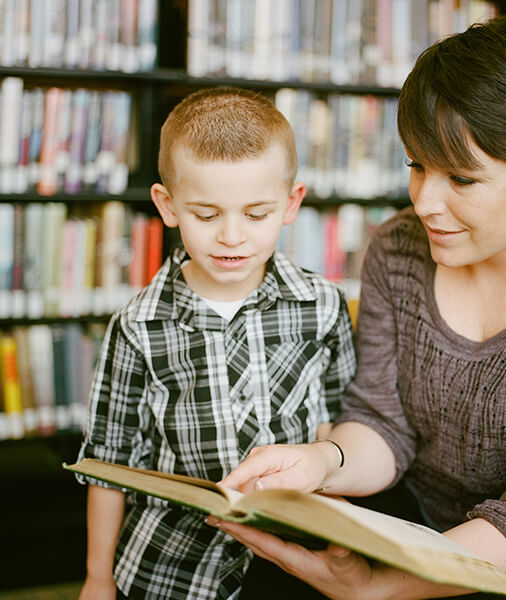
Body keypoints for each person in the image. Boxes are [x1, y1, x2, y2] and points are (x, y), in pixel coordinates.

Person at [213, 16, 506, 600]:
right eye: (416, 165)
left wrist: (377, 590)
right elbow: (382, 423)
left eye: (463, 180)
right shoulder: (396, 247)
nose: (424, 203)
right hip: (414, 518)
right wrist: (322, 460)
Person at [76, 87, 357, 600]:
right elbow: (107, 462)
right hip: (173, 566)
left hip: (296, 558)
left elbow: (339, 421)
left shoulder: (322, 305)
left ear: (291, 203)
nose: (232, 236)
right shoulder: (137, 325)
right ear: (168, 205)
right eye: (207, 215)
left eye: (256, 214)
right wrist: (98, 577)